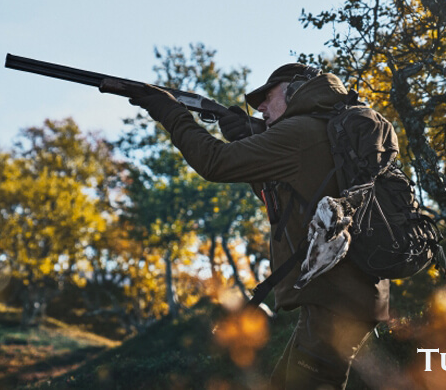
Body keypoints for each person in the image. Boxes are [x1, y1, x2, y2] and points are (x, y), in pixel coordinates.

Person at [105, 64, 390, 389]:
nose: (261, 108)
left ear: (294, 90)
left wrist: (169, 111)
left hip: (335, 303)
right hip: (346, 297)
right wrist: (247, 135)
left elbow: (215, 162)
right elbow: (288, 202)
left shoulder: (299, 132)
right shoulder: (328, 129)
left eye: (267, 98)